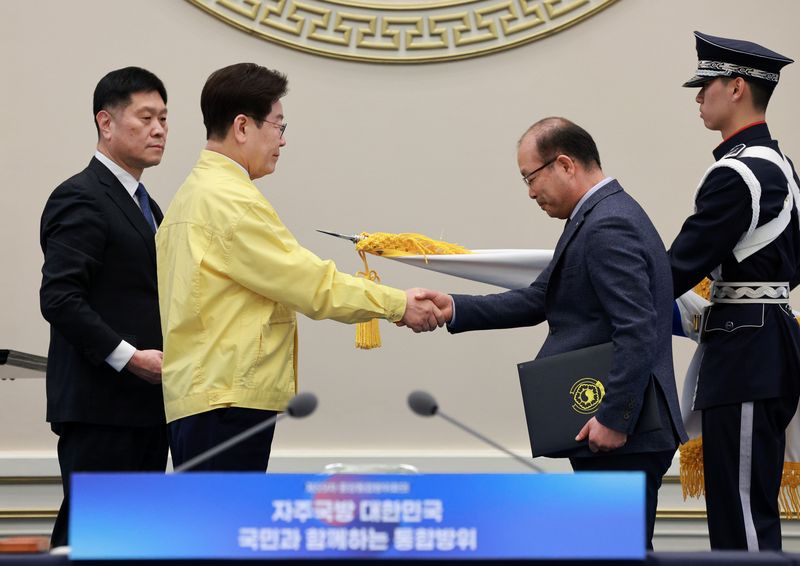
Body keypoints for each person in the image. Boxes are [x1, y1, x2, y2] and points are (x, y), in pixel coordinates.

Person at [156, 62, 443, 473]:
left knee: (210, 514)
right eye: (278, 125)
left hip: (202, 394)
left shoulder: (193, 194)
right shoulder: (230, 201)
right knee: (228, 515)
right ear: (242, 127)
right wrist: (397, 304)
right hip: (226, 399)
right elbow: (309, 283)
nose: (283, 140)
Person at [416, 117, 687, 549]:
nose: (530, 192)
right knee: (608, 550)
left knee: (616, 552)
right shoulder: (596, 216)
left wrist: (614, 417)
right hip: (614, 429)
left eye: (530, 178)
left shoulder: (608, 224)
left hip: (624, 433)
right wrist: (454, 307)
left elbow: (637, 329)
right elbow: (540, 298)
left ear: (564, 164)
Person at [669, 32, 800, 551]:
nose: (699, 96)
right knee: (743, 513)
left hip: (746, 352)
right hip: (766, 343)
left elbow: (677, 267)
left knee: (741, 520)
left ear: (738, 87)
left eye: (707, 85)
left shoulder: (738, 172)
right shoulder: (782, 166)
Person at [39, 67, 170, 547]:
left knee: (127, 543)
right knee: (94, 540)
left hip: (146, 407)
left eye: (164, 119)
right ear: (106, 122)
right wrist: (129, 358)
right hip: (101, 408)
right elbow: (59, 298)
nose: (159, 130)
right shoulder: (81, 195)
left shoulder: (147, 205)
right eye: (145, 117)